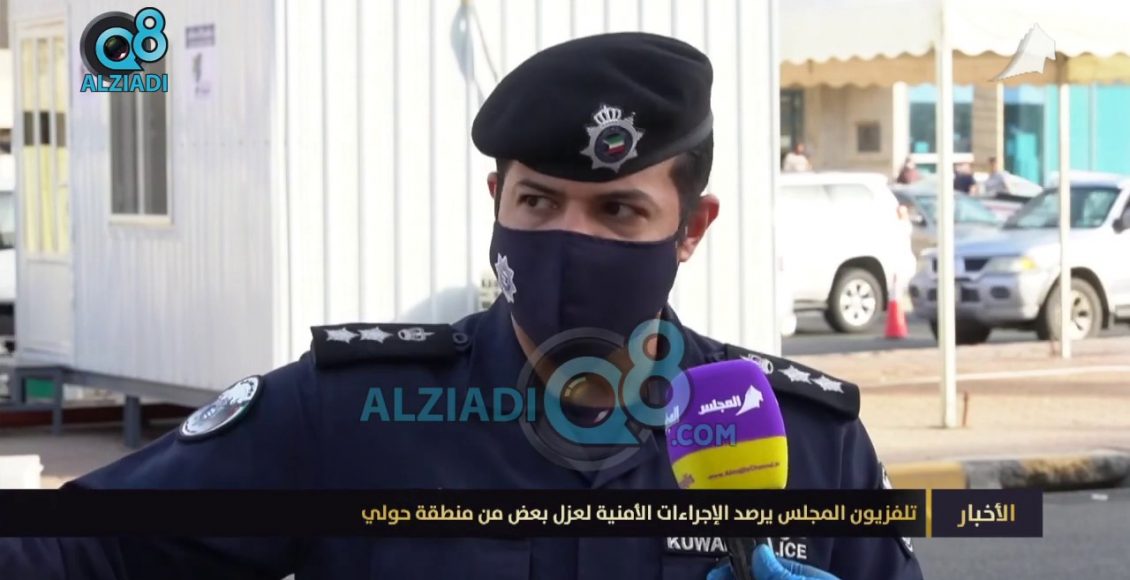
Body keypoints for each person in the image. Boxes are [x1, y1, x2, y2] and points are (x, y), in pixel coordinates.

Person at [0, 33, 922, 579]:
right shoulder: (348, 415)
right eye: (538, 203)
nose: (569, 242)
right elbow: (83, 551)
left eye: (617, 212)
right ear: (497, 203)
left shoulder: (807, 445)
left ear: (692, 228)